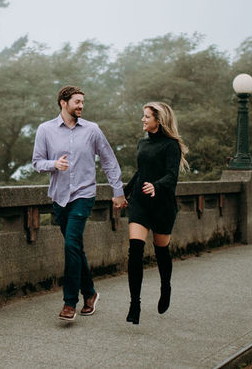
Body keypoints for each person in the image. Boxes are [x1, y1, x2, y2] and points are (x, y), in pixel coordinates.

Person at [32, 85, 127, 322]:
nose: (81, 106)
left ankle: (69, 303)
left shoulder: (92, 130)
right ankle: (91, 293)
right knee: (74, 247)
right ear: (63, 103)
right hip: (59, 197)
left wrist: (118, 191)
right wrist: (54, 164)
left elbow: (109, 161)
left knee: (71, 244)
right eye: (77, 102)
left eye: (83, 102)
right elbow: (37, 162)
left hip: (84, 195)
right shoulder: (45, 130)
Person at [124, 101, 189, 325]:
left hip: (162, 205)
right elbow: (141, 172)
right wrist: (124, 193)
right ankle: (135, 304)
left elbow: (172, 176)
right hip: (140, 202)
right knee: (135, 250)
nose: (142, 119)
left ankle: (165, 287)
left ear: (158, 121)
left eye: (146, 116)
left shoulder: (171, 145)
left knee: (161, 251)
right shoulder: (143, 143)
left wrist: (156, 186)